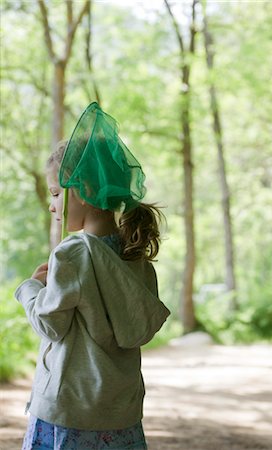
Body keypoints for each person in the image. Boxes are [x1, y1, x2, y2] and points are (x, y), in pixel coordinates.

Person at [15, 104, 170, 450]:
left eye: (56, 193)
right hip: (120, 413)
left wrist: (30, 289)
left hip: (68, 411)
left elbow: (50, 324)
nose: (52, 205)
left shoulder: (73, 254)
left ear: (83, 190)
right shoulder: (134, 254)